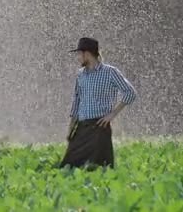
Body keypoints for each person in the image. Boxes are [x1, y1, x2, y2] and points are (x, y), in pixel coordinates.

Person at [59, 37, 137, 169]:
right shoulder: (80, 75)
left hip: (100, 128)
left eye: (79, 54)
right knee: (68, 167)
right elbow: (76, 102)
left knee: (99, 168)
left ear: (87, 54)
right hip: (81, 128)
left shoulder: (110, 72)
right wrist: (70, 128)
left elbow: (130, 93)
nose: (78, 58)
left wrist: (112, 115)